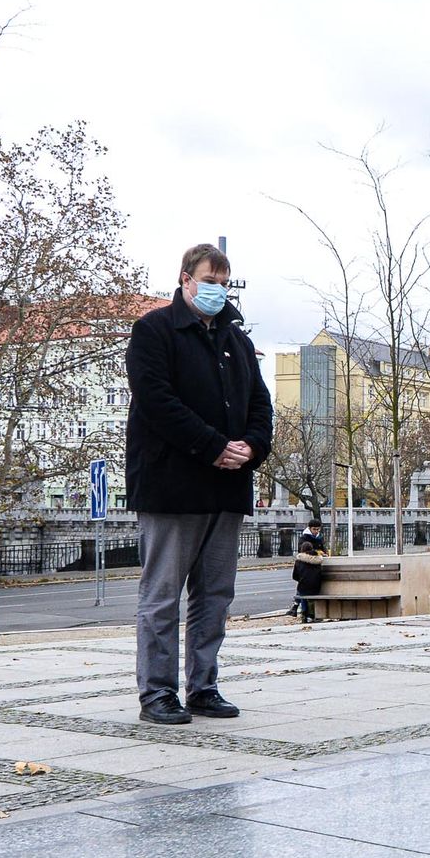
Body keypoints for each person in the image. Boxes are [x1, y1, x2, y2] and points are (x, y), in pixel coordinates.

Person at [125, 243, 273, 724]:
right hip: (172, 486)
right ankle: (157, 694)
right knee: (162, 596)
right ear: (186, 279)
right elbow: (156, 401)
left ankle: (203, 686)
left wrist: (252, 446)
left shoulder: (238, 341)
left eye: (224, 283)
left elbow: (260, 406)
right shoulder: (153, 331)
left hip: (226, 488)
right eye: (209, 281)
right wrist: (213, 446)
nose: (217, 291)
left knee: (215, 595)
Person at [290, 519, 326, 621]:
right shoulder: (304, 538)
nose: (316, 531)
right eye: (314, 529)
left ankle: (298, 608)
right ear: (309, 528)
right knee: (305, 590)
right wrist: (317, 553)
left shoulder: (319, 537)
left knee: (302, 588)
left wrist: (324, 552)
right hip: (314, 584)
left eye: (318, 529)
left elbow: (295, 576)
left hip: (304, 583)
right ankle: (307, 613)